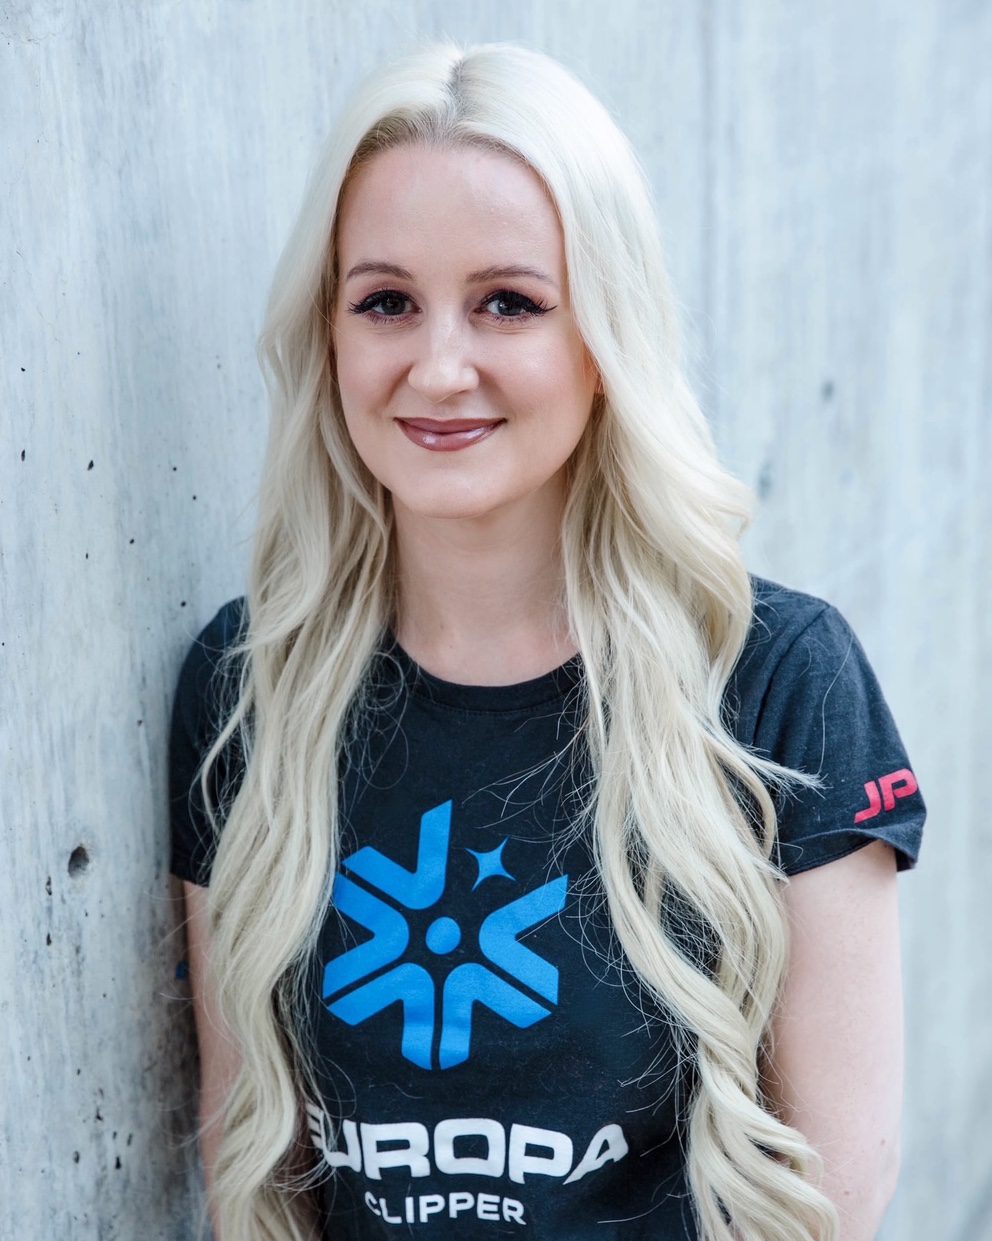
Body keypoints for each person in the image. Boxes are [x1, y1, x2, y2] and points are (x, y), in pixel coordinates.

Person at [169, 41, 925, 1241]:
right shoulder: (248, 685)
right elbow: (251, 1170)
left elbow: (833, 1198)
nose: (439, 365)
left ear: (601, 336)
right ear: (329, 336)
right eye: (385, 302)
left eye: (507, 302)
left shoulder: (776, 678)